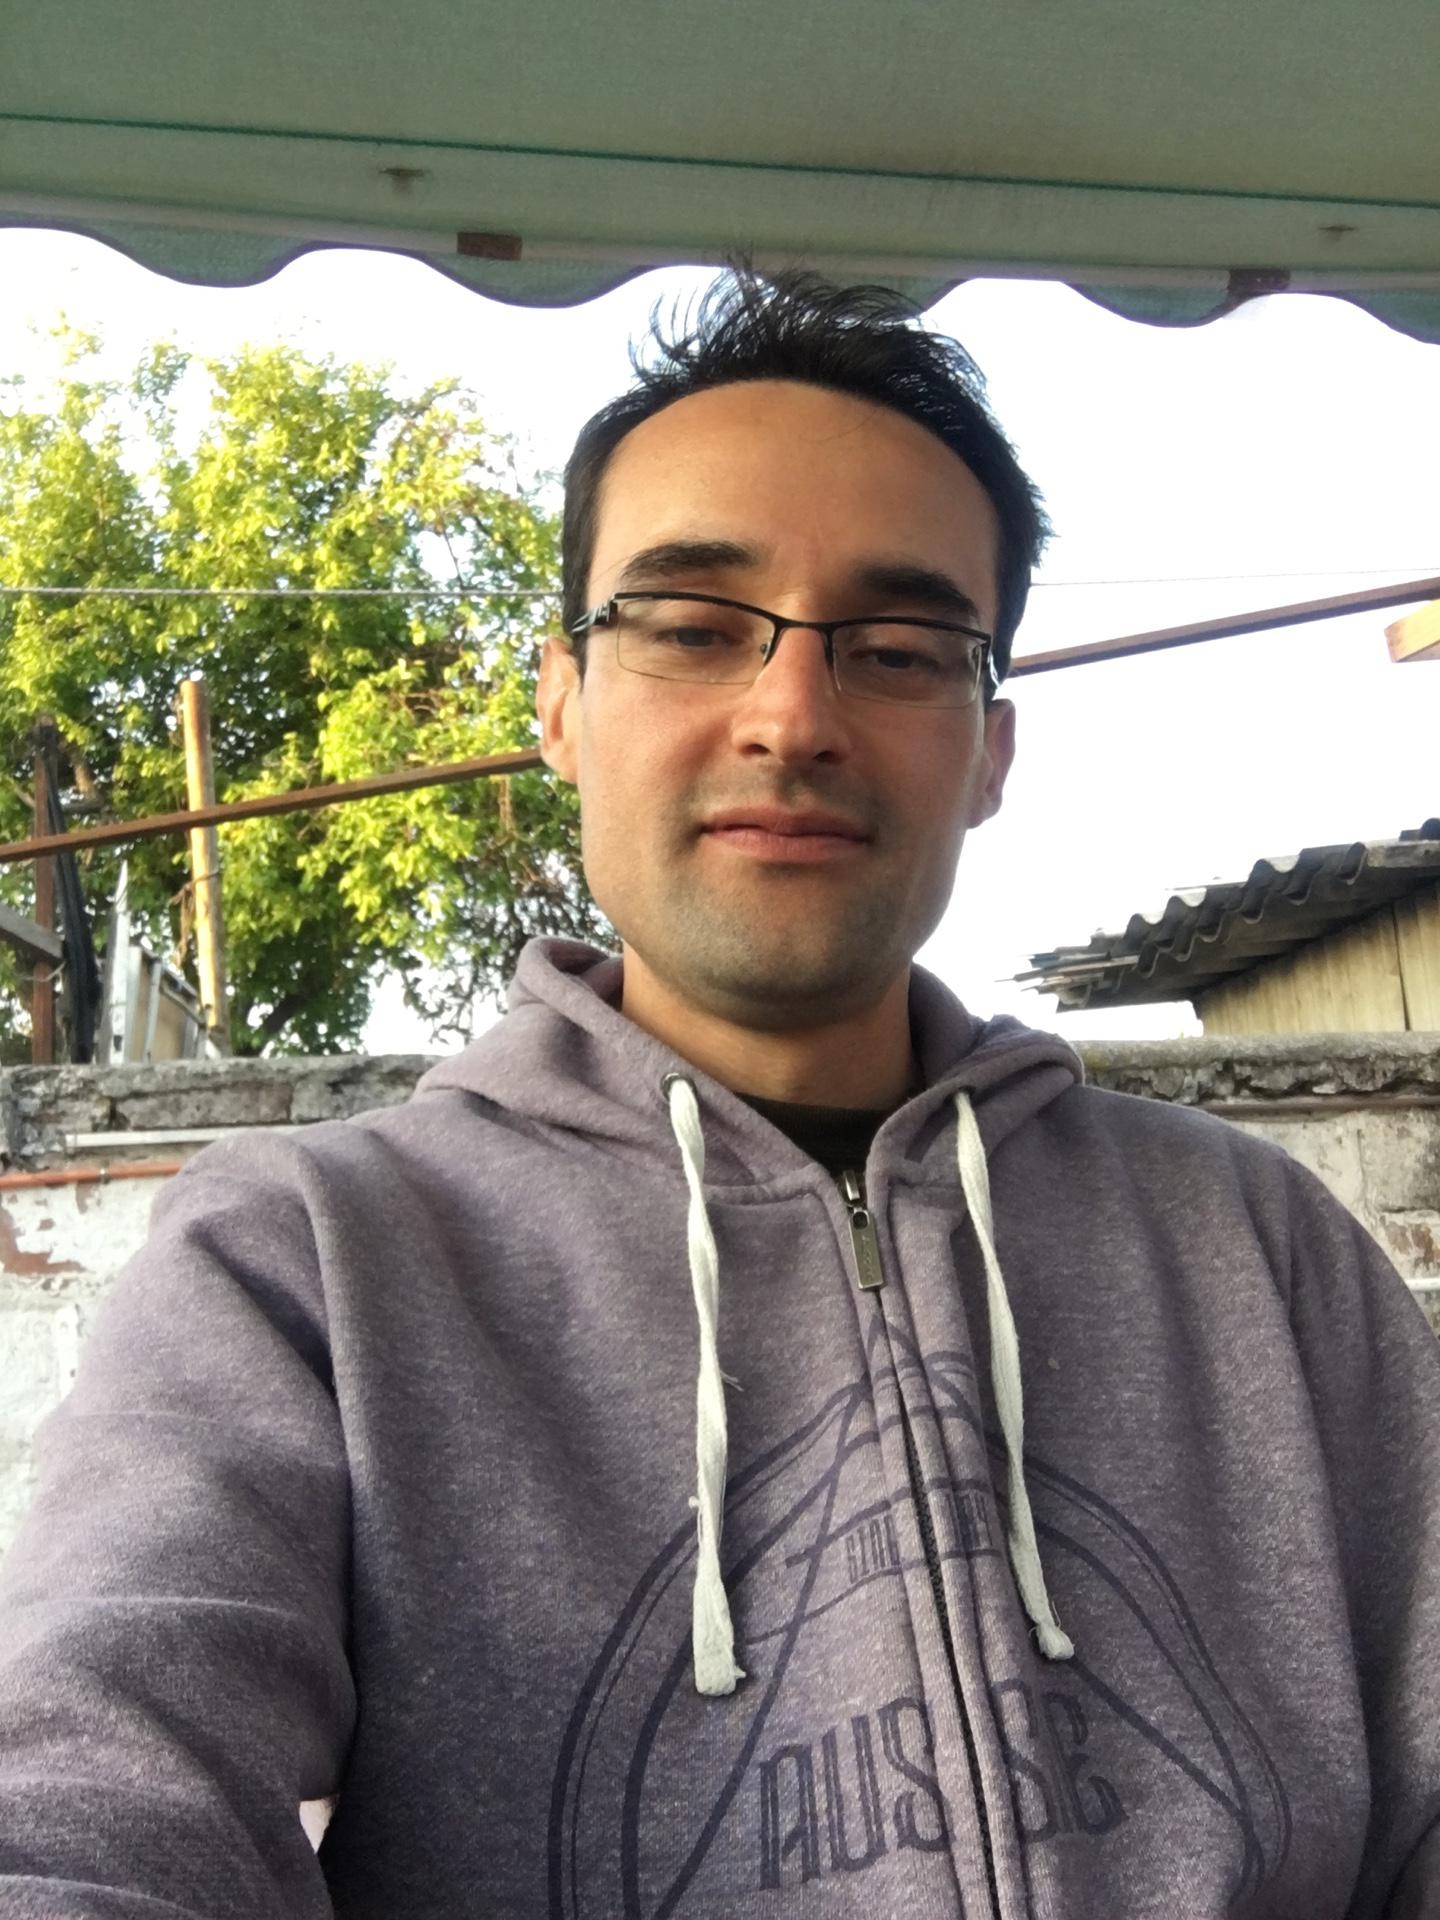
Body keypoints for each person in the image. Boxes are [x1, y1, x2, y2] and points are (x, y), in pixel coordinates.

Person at [0, 271, 1437, 1920]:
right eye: (690, 628)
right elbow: (92, 1795)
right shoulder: (309, 1264)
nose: (793, 716)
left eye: (897, 649)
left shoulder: (1259, 1251)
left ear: (990, 751)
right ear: (560, 703)